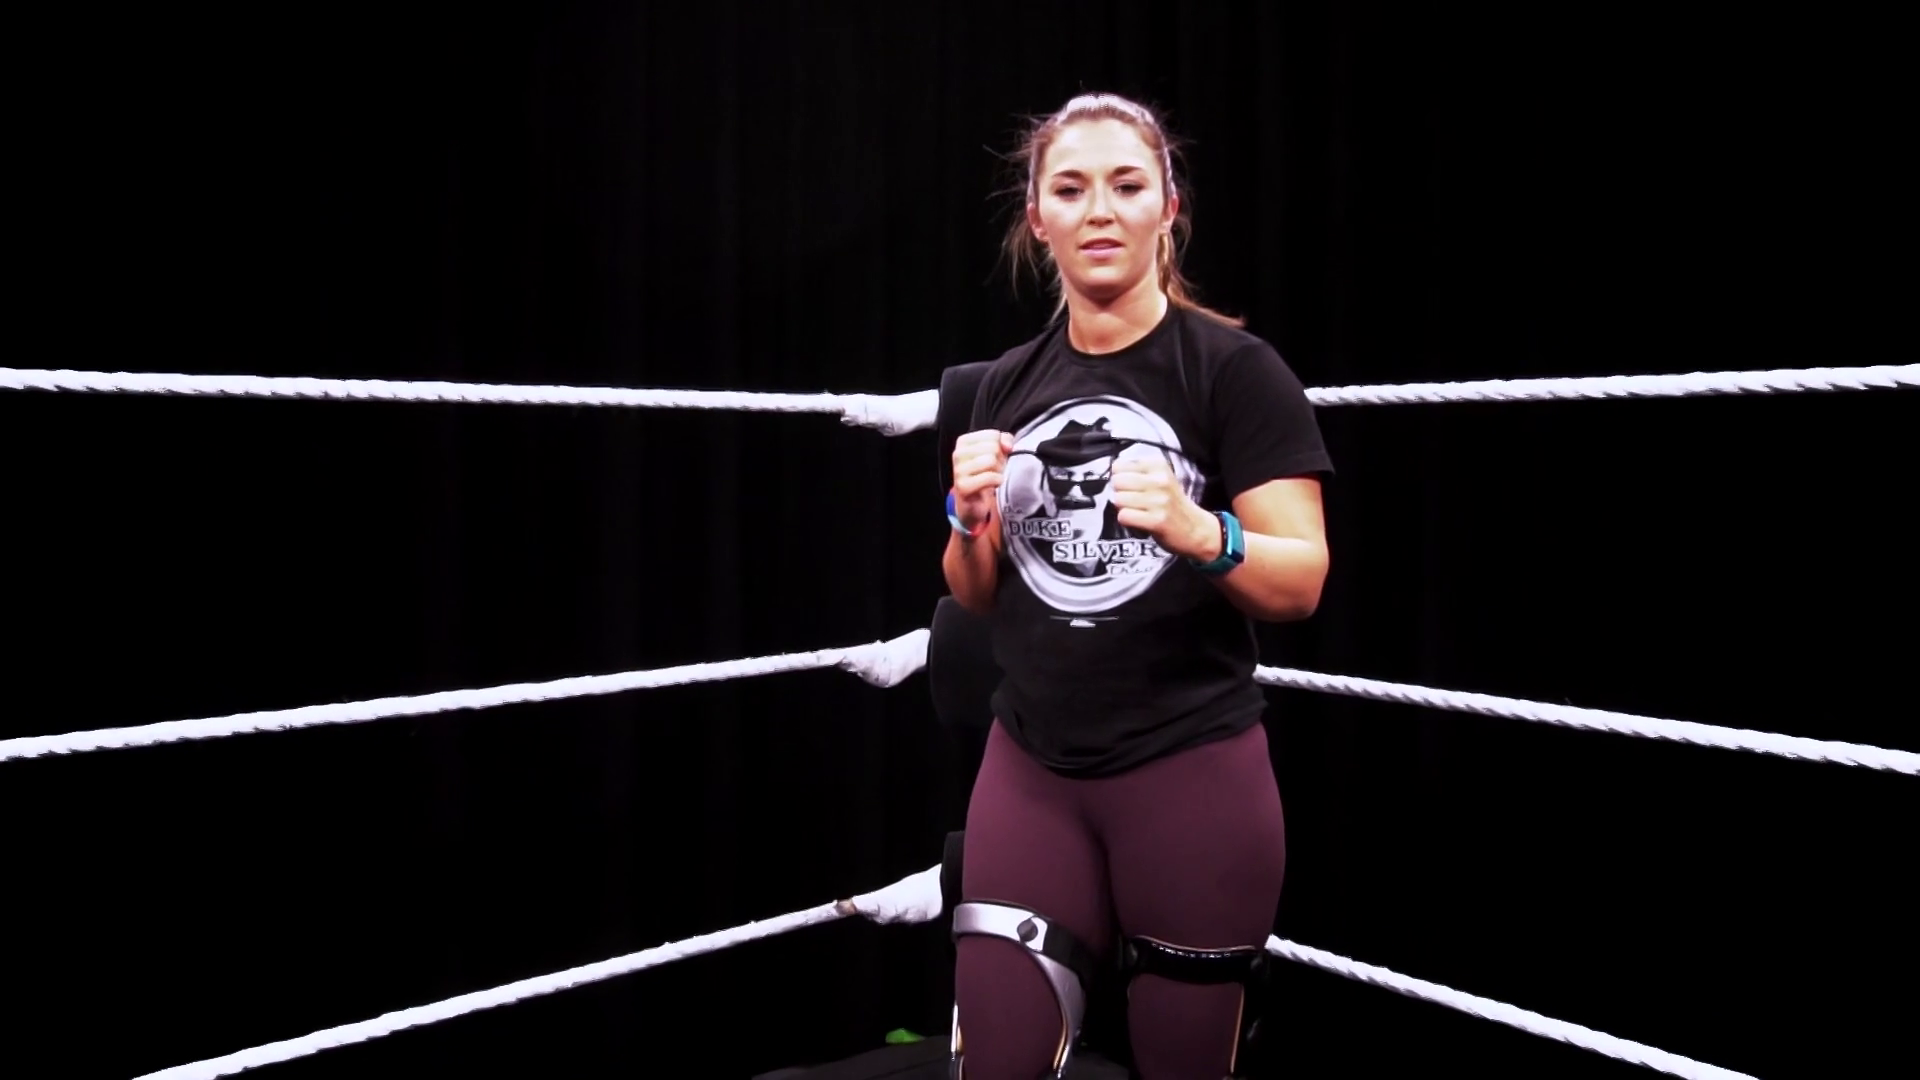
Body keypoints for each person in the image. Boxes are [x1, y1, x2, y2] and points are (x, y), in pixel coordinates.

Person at [940, 92, 1334, 1078]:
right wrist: (967, 516)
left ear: (1169, 205)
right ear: (1038, 218)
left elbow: (1302, 580)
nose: (1100, 212)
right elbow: (977, 592)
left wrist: (1200, 530)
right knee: (994, 1061)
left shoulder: (1235, 371)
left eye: (1126, 185)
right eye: (1071, 190)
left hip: (1189, 771)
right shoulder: (1006, 384)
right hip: (1031, 769)